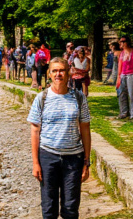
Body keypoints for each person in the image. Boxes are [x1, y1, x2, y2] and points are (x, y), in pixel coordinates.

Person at [28, 58, 92, 219]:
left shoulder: (78, 98)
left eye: (62, 70)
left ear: (69, 73)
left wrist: (86, 161)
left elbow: (85, 128)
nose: (58, 74)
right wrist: (36, 162)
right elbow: (35, 130)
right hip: (48, 156)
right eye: (55, 71)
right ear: (49, 74)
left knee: (70, 207)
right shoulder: (41, 98)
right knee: (49, 207)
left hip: (73, 158)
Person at [116, 36, 133, 119]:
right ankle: (124, 112)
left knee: (132, 94)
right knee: (121, 93)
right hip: (123, 75)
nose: (121, 43)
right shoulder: (122, 53)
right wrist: (118, 78)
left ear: (127, 42)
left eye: (123, 41)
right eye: (120, 42)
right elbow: (119, 66)